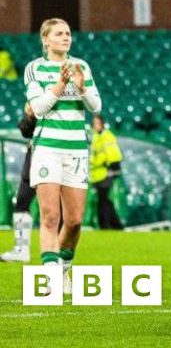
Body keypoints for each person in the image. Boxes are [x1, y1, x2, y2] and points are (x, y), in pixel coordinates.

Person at [24, 18, 102, 295]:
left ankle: (64, 269)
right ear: (46, 39)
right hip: (47, 148)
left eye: (68, 33)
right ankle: (49, 278)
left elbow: (96, 105)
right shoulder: (35, 68)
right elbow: (39, 108)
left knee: (75, 220)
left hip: (77, 148)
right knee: (49, 216)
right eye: (59, 34)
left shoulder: (81, 66)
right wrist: (59, 85)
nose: (66, 37)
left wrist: (81, 86)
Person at [0, 105, 38, 263]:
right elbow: (25, 130)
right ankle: (21, 250)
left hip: (56, 159)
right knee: (22, 202)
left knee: (57, 212)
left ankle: (60, 257)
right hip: (34, 160)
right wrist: (29, 116)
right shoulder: (36, 93)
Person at [89, 115, 123, 230]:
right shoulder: (96, 138)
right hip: (97, 174)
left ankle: (105, 225)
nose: (95, 126)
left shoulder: (107, 136)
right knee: (104, 200)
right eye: (94, 124)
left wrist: (114, 169)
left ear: (102, 124)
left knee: (103, 200)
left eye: (97, 123)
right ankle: (116, 225)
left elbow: (113, 155)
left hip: (105, 173)